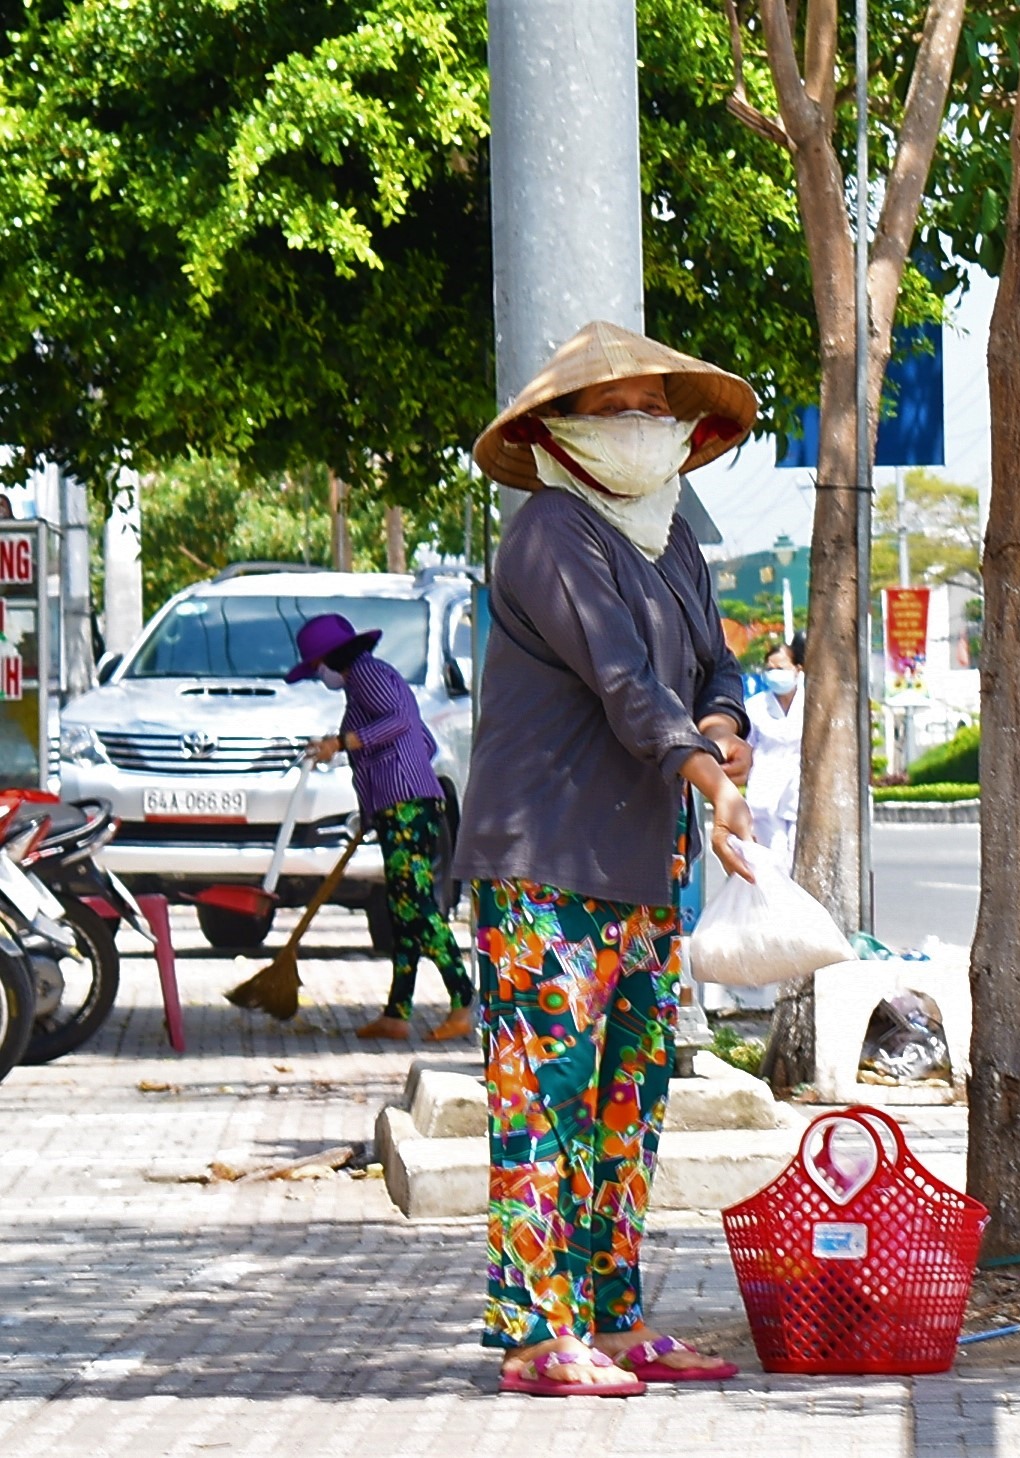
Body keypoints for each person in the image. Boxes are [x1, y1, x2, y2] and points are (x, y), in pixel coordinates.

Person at [455, 320, 757, 1397]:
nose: (643, 428)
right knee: (546, 1101)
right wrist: (708, 776)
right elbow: (630, 688)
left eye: (655, 411)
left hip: (638, 864)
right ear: (560, 432)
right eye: (617, 411)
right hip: (544, 864)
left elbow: (715, 669)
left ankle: (613, 1319)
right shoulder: (549, 534)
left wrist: (726, 734)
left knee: (628, 1101)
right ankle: (539, 1339)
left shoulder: (668, 535)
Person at [287, 613, 475, 1043]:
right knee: (404, 912)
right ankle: (397, 1012)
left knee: (419, 909)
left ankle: (464, 999)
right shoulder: (366, 683)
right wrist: (377, 805)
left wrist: (344, 744)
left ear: (332, 659)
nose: (320, 676)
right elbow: (422, 742)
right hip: (403, 806)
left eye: (318, 666)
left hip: (407, 806)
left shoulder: (368, 675)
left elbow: (399, 724)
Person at [744, 631, 806, 863]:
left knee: (797, 857)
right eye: (770, 669)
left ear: (798, 669)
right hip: (765, 791)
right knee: (771, 859)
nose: (775, 674)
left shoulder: (811, 703)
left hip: (799, 789)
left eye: (781, 668)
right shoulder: (756, 706)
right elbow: (746, 749)